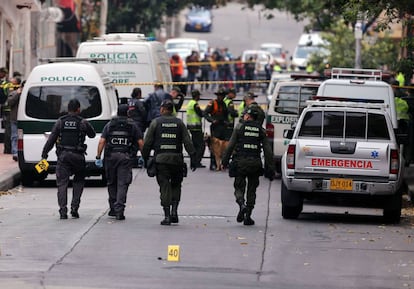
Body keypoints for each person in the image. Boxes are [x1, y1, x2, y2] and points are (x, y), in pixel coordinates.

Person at [142, 99, 197, 226]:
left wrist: (145, 158)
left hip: (161, 161)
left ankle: (167, 216)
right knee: (176, 185)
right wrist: (193, 157)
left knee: (164, 186)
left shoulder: (156, 122)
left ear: (162, 109)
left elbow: (148, 143)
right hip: (177, 160)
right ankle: (174, 212)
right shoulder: (179, 123)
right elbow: (187, 142)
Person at [41, 99, 96, 219]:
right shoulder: (82, 122)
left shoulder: (60, 122)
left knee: (62, 183)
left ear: (68, 109)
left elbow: (51, 140)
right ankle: (74, 207)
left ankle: (62, 210)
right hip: (78, 156)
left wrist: (44, 154)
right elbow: (92, 135)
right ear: (78, 109)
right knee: (79, 181)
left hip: (63, 156)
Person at [221, 106, 275, 225]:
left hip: (240, 163)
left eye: (245, 114)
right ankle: (248, 216)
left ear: (248, 116)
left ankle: (241, 204)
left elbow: (230, 146)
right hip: (255, 164)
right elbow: (268, 151)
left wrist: (224, 161)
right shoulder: (261, 130)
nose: (244, 116)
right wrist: (270, 168)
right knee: (252, 190)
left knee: (239, 187)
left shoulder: (239, 128)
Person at [96, 104, 144, 220]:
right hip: (125, 158)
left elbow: (102, 141)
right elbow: (141, 142)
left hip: (110, 157)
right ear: (128, 113)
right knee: (122, 183)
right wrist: (143, 156)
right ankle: (119, 210)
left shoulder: (110, 125)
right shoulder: (132, 125)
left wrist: (98, 156)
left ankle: (113, 208)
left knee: (112, 183)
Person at [204, 87, 229, 170]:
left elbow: (226, 115)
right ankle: (213, 164)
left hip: (223, 127)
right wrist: (212, 120)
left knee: (223, 147)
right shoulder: (212, 103)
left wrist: (226, 121)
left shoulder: (224, 104)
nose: (221, 97)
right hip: (215, 127)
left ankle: (221, 164)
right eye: (219, 95)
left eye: (222, 96)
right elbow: (205, 113)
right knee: (214, 147)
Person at [187, 89, 206, 168]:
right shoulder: (195, 104)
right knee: (201, 146)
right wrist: (207, 109)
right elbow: (201, 114)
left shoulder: (190, 103)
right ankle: (196, 162)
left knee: (194, 145)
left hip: (191, 127)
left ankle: (193, 162)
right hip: (196, 127)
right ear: (197, 96)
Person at [7, 79, 24, 161]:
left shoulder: (27, 93)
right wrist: (17, 94)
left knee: (23, 137)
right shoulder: (14, 93)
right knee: (14, 136)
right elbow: (10, 102)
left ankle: (23, 153)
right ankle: (15, 153)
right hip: (14, 118)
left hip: (24, 119)